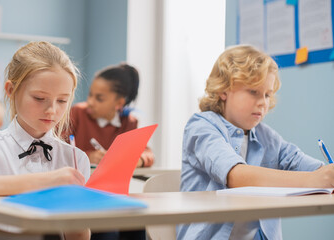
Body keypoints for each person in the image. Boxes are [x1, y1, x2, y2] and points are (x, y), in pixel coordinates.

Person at [177, 45, 334, 240]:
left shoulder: (267, 137)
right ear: (224, 90)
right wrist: (314, 180)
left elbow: (305, 165)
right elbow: (235, 175)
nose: (263, 102)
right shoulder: (201, 127)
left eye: (267, 94)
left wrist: (326, 174)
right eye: (253, 92)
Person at [0, 41, 91, 240]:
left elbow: (77, 235)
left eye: (62, 101)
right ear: (10, 90)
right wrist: (47, 181)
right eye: (39, 98)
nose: (52, 110)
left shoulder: (75, 158)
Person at [66, 63, 154, 169]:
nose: (90, 102)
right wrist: (88, 156)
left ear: (119, 103)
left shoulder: (128, 122)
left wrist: (136, 160)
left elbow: (147, 153)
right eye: (90, 94)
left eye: (99, 99)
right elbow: (56, 150)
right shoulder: (77, 113)